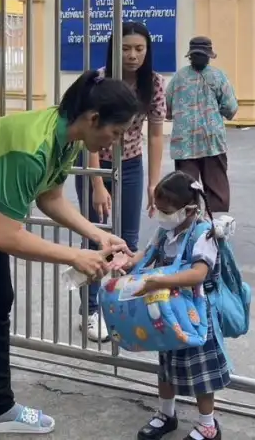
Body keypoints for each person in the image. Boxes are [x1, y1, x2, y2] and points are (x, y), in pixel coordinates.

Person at [0, 70, 139, 438]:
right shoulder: (32, 147)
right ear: (93, 118)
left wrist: (97, 234)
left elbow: (50, 197)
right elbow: (6, 237)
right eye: (115, 133)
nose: (115, 142)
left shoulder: (66, 137)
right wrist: (74, 256)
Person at [112, 171, 230, 440]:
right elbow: (146, 254)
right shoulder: (166, 231)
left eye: (165, 211)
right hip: (167, 313)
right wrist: (126, 261)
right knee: (166, 367)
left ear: (189, 209)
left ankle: (208, 425)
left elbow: (198, 274)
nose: (160, 216)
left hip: (197, 315)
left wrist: (158, 282)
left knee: (201, 371)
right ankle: (166, 414)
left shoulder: (204, 234)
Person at [75, 21, 166, 342]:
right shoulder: (100, 81)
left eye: (139, 49)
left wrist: (154, 183)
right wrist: (98, 183)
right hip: (94, 161)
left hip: (130, 164)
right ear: (115, 49)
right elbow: (87, 132)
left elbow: (155, 135)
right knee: (95, 237)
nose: (133, 55)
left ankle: (121, 306)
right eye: (126, 48)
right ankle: (90, 311)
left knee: (127, 240)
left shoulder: (154, 83)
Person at [166, 36, 237, 214]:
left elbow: (167, 108)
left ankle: (190, 222)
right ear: (209, 56)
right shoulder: (218, 76)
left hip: (184, 143)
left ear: (190, 56)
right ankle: (215, 222)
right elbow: (231, 108)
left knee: (186, 189)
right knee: (216, 187)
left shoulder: (178, 78)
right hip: (211, 141)